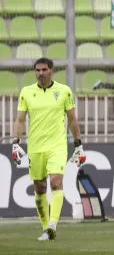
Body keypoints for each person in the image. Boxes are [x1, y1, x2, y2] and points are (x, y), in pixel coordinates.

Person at [11, 58, 85, 242]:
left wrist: (78, 144)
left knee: (56, 182)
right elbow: (20, 120)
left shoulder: (64, 91)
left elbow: (72, 119)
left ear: (51, 71)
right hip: (35, 147)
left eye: (44, 70)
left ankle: (53, 225)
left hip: (57, 146)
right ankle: (46, 228)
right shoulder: (27, 92)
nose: (40, 73)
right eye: (37, 70)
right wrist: (15, 143)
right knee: (40, 187)